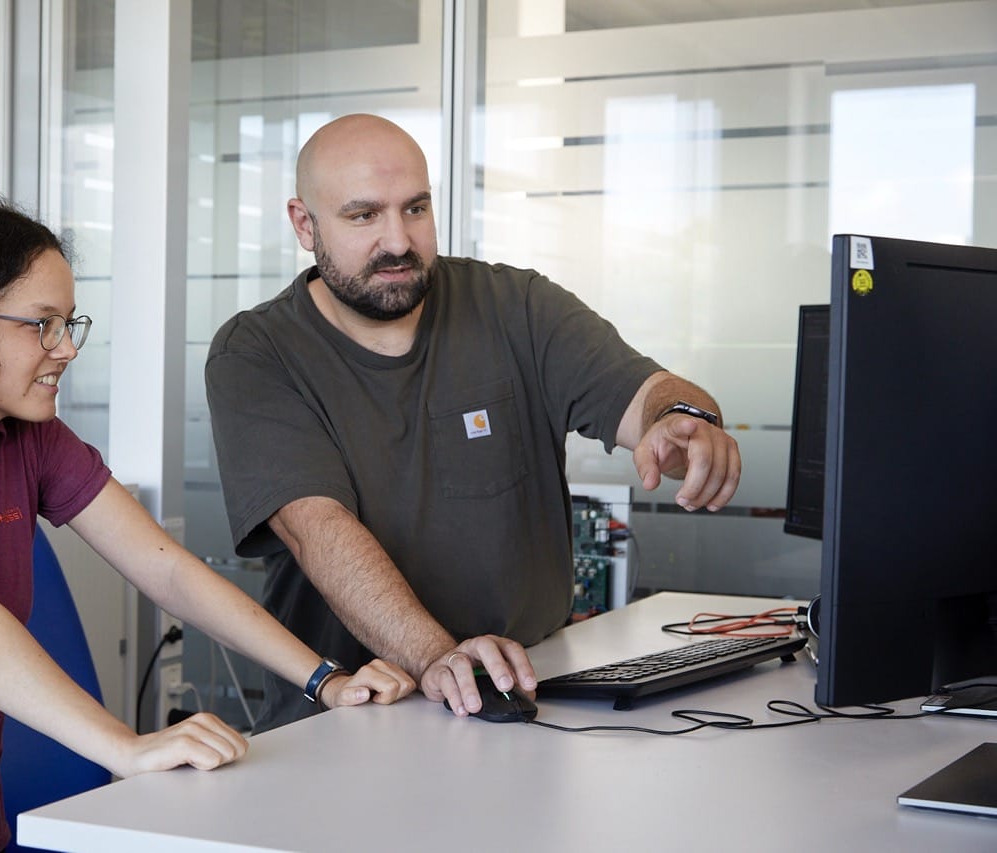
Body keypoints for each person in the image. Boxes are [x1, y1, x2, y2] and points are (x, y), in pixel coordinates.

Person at [0, 192, 415, 852]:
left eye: (69, 323)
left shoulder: (29, 440)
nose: (66, 348)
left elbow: (168, 571)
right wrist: (126, 748)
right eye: (42, 325)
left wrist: (323, 679)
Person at [205, 113, 741, 732]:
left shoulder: (518, 307)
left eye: (415, 208)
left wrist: (681, 417)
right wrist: (439, 656)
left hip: (528, 693)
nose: (398, 241)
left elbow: (646, 393)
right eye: (363, 216)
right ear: (305, 224)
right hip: (345, 717)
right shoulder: (257, 353)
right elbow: (316, 530)